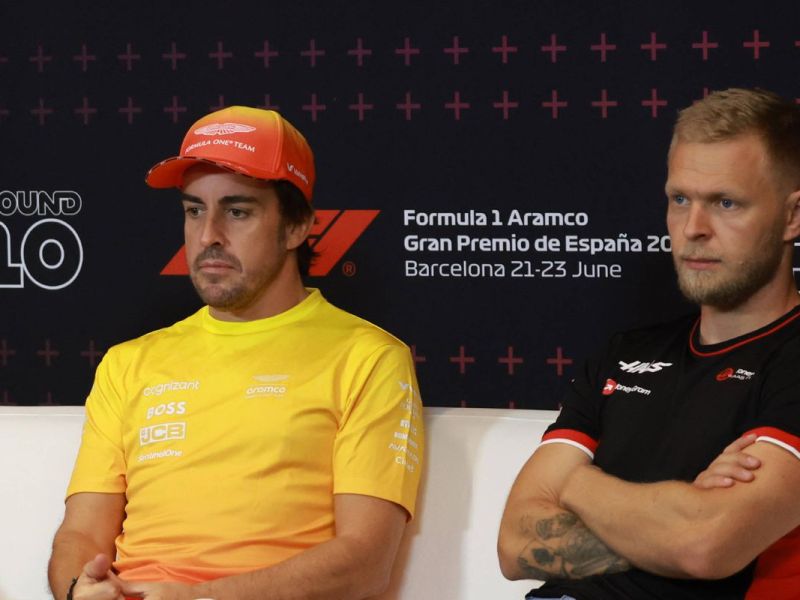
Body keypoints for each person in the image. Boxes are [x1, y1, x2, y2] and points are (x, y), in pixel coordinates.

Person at [48, 106, 424, 600]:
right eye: (194, 211)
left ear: (297, 227)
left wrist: (195, 598)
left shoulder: (369, 359)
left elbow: (365, 565)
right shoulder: (127, 362)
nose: (208, 236)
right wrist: (78, 590)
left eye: (237, 211)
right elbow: (80, 533)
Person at [498, 87, 800, 599]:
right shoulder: (625, 352)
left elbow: (705, 545)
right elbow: (515, 543)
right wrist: (677, 516)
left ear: (793, 216)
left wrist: (575, 485)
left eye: (726, 203)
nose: (693, 228)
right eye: (679, 199)